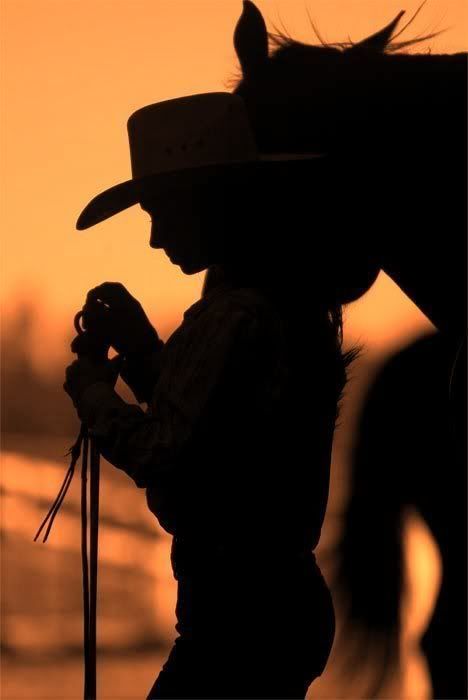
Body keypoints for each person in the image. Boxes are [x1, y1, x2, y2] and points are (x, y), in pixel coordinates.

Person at [63, 92, 365, 699]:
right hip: (274, 608)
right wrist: (145, 349)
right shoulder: (275, 306)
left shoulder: (230, 315)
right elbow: (211, 423)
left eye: (161, 213)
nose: (153, 238)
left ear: (205, 205)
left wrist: (96, 396)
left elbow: (164, 451)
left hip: (235, 620)